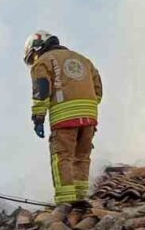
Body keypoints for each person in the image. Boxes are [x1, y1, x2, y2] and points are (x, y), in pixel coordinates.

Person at [23, 30, 102, 206]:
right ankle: (81, 199)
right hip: (89, 117)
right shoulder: (83, 59)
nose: (33, 62)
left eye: (32, 57)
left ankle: (65, 202)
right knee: (82, 157)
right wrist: (87, 107)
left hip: (64, 118)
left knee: (62, 157)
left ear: (38, 47)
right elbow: (98, 89)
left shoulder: (43, 62)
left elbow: (41, 91)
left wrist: (38, 117)